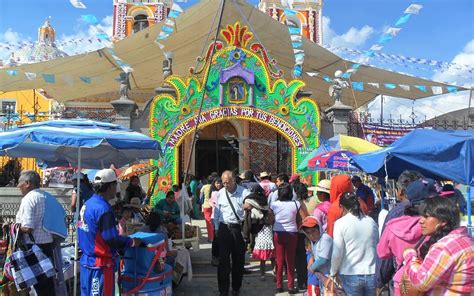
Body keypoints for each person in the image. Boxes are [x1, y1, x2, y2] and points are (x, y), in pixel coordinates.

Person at [78, 169, 141, 296]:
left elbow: (82, 228)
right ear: (111, 186)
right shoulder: (103, 209)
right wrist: (132, 241)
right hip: (100, 265)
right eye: (115, 185)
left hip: (86, 262)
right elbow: (111, 238)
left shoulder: (87, 204)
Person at [402, 196, 474, 294]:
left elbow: (421, 282)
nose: (421, 220)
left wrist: (409, 255)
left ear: (443, 221)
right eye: (421, 216)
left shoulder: (445, 247)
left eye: (426, 216)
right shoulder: (467, 239)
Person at [15, 170, 67, 296]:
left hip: (33, 249)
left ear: (27, 183)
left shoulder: (28, 199)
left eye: (19, 183)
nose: (18, 186)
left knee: (36, 286)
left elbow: (28, 228)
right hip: (47, 247)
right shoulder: (47, 197)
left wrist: (14, 226)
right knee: (47, 285)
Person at [330, 192, 378, 295]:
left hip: (350, 274)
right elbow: (377, 246)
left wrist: (333, 272)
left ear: (341, 207)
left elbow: (337, 253)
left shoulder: (340, 223)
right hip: (372, 272)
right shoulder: (371, 221)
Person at [214, 171, 250, 296]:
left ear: (234, 180)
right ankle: (223, 290)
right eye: (223, 182)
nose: (224, 185)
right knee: (223, 261)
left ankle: (236, 287)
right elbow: (217, 213)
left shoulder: (244, 192)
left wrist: (249, 204)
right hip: (224, 229)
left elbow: (256, 201)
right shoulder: (220, 193)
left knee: (238, 260)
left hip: (237, 229)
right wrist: (216, 229)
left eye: (227, 182)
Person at [269, 183, 302, 294]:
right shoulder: (296, 204)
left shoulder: (274, 205)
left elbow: (270, 219)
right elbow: (298, 219)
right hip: (292, 233)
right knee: (290, 261)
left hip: (278, 233)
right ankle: (291, 287)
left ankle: (279, 285)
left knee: (279, 261)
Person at [242, 192, 274, 281]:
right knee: (270, 258)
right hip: (264, 237)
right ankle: (273, 274)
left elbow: (247, 227)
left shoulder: (255, 212)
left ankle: (264, 275)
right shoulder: (255, 211)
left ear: (252, 204)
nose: (244, 205)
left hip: (263, 238)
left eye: (246, 203)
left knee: (264, 258)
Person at [301, 216, 333, 295]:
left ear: (319, 229)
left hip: (331, 277)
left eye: (313, 231)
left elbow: (323, 259)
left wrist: (311, 268)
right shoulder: (314, 241)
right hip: (323, 278)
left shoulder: (325, 238)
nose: (311, 235)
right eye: (308, 233)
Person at [293, 182, 311, 292]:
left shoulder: (297, 203)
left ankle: (302, 283)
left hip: (301, 233)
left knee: (300, 260)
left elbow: (304, 220)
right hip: (313, 233)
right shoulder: (314, 200)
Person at [210, 177, 223, 266]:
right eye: (217, 183)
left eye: (220, 183)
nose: (218, 185)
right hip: (216, 217)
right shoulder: (215, 193)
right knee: (216, 239)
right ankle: (215, 258)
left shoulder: (221, 192)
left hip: (221, 218)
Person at [201, 176, 215, 242]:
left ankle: (211, 237)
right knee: (214, 222)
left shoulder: (204, 187)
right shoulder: (214, 187)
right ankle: (214, 236)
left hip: (206, 205)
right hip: (214, 206)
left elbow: (201, 197)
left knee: (208, 223)